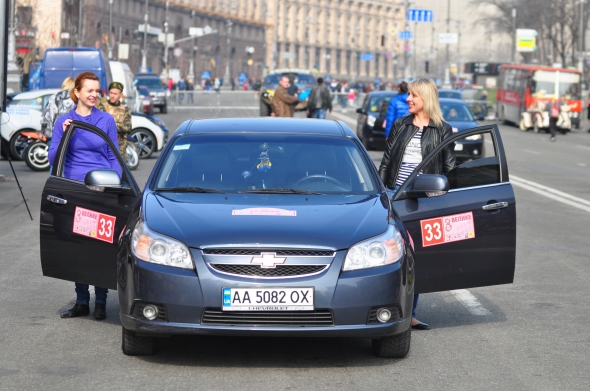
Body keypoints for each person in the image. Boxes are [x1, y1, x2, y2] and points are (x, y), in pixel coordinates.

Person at [378, 78, 456, 331]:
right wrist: (379, 195)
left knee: (417, 259)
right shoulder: (401, 125)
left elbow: (449, 170)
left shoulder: (442, 129)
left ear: (426, 98)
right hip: (394, 196)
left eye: (414, 95)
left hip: (423, 202)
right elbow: (387, 162)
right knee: (390, 255)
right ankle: (383, 309)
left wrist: (445, 199)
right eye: (409, 94)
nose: (408, 99)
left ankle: (409, 313)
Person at [48, 72, 122, 321]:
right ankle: (81, 300)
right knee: (77, 247)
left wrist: (113, 183)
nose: (94, 94)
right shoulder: (64, 121)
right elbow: (53, 158)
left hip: (99, 191)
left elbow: (114, 158)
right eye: (89, 90)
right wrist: (66, 135)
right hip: (73, 190)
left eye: (96, 90)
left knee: (99, 245)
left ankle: (100, 302)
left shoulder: (106, 120)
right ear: (77, 92)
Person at [98, 82, 132, 160]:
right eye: (111, 93)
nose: (112, 96)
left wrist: (111, 126)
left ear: (120, 94)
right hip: (106, 143)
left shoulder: (125, 109)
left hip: (121, 145)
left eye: (115, 94)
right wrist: (118, 127)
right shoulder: (102, 107)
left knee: (120, 170)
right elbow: (101, 126)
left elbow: (128, 128)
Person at [40, 77, 76, 147]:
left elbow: (45, 117)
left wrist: (42, 132)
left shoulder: (54, 97)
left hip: (54, 135)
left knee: (55, 156)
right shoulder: (76, 98)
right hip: (72, 136)